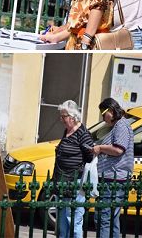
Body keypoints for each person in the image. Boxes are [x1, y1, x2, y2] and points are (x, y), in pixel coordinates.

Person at [92, 98, 134, 238]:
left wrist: (100, 148)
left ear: (110, 110)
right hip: (112, 178)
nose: (103, 118)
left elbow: (118, 149)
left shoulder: (121, 125)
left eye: (103, 114)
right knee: (111, 219)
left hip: (114, 179)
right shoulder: (119, 125)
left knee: (104, 218)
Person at [52, 100, 94, 238]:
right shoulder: (67, 131)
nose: (61, 119)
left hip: (74, 183)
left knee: (74, 220)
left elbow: (90, 157)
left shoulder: (83, 134)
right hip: (62, 181)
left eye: (63, 116)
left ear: (72, 116)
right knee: (62, 221)